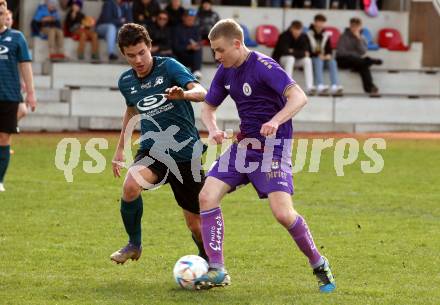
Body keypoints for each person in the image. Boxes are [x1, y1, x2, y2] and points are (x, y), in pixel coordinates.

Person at [189, 19, 336, 292]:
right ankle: (217, 269)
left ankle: (318, 262)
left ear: (237, 43)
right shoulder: (225, 71)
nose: (217, 57)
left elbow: (299, 97)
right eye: (214, 52)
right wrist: (213, 129)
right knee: (206, 196)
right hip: (244, 147)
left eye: (220, 50)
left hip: (273, 149)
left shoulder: (264, 66)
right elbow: (208, 108)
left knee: (282, 214)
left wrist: (276, 121)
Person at [110, 23, 209, 264]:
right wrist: (121, 148)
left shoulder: (170, 67)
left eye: (142, 52)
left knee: (195, 224)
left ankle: (209, 259)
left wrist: (184, 94)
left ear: (150, 46)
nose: (138, 60)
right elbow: (132, 110)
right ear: (124, 54)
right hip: (153, 149)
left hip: (186, 153)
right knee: (131, 186)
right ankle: (134, 244)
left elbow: (202, 91)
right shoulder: (126, 81)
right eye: (131, 55)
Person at [0, 0, 37, 192]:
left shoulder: (17, 37)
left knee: (4, 138)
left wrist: (30, 93)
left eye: (2, 13)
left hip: (9, 96)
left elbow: (25, 65)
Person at [336, 17, 382, 97]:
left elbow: (363, 51)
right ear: (350, 26)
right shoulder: (344, 36)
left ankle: (370, 88)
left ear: (360, 27)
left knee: (363, 66)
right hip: (342, 60)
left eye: (357, 26)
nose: (354, 28)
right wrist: (354, 54)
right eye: (353, 26)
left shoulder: (361, 38)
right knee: (361, 61)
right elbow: (341, 52)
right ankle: (370, 61)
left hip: (357, 61)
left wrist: (358, 39)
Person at [272, 20, 315, 95]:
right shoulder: (284, 35)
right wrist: (301, 53)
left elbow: (308, 52)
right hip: (282, 59)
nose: (297, 32)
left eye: (299, 30)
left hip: (296, 60)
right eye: (295, 29)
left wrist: (292, 51)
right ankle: (288, 86)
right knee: (290, 58)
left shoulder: (304, 36)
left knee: (307, 60)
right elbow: (284, 51)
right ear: (291, 28)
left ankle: (309, 87)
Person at [307, 14, 343, 96]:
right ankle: (320, 85)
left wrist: (328, 55)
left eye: (322, 22)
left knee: (332, 61)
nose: (320, 24)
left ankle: (335, 85)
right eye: (319, 22)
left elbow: (329, 50)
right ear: (315, 22)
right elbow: (307, 50)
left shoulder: (326, 35)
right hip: (312, 59)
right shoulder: (308, 34)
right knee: (318, 60)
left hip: (323, 58)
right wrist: (317, 55)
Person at [173, 9, 202, 78]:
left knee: (198, 50)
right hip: (180, 56)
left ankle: (196, 71)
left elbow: (198, 42)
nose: (192, 20)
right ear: (184, 18)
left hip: (191, 56)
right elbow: (175, 47)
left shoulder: (195, 29)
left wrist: (196, 46)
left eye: (193, 19)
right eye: (189, 18)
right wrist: (188, 47)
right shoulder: (177, 29)